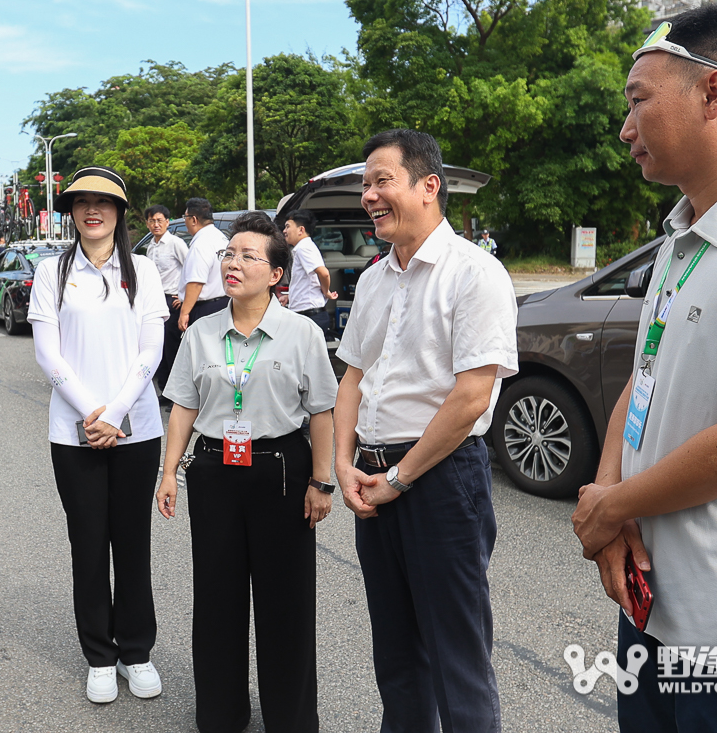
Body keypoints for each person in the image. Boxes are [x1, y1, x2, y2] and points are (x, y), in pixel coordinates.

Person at [572, 5, 717, 729]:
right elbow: (644, 377)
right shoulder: (683, 234)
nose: (625, 127)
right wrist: (609, 501)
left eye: (639, 99)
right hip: (651, 603)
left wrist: (615, 506)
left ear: (713, 93)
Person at [333, 129, 517, 733]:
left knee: (456, 657)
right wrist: (343, 463)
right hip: (373, 476)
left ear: (428, 186)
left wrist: (399, 478)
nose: (369, 196)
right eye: (366, 185)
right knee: (396, 656)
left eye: (381, 181)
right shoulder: (374, 279)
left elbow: (471, 398)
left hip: (439, 477)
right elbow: (352, 377)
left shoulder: (475, 273)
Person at [158, 211, 339, 733]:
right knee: (217, 599)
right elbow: (184, 408)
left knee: (286, 602)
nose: (233, 264)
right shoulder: (202, 332)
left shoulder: (301, 332)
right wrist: (169, 472)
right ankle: (222, 713)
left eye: (247, 256)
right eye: (228, 254)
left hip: (282, 471)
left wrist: (321, 481)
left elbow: (322, 411)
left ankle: (291, 718)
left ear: (276, 274)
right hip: (214, 471)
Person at [27, 166, 169, 704]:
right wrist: (93, 412)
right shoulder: (52, 272)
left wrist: (117, 413)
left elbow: (150, 351)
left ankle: (137, 650)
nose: (93, 210)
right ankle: (99, 655)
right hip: (73, 431)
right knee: (88, 544)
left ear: (120, 213)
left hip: (137, 430)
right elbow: (48, 352)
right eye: (82, 202)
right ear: (71, 212)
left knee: (132, 543)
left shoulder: (146, 271)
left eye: (104, 203)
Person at [144, 204, 188, 390]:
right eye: (152, 221)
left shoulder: (175, 243)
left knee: (172, 347)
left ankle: (175, 393)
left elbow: (190, 268)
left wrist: (184, 295)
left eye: (160, 220)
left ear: (167, 222)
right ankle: (163, 389)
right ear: (147, 223)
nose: (156, 224)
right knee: (157, 346)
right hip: (155, 300)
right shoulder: (150, 247)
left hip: (172, 301)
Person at [282, 209, 338, 338]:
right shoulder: (303, 247)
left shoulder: (304, 248)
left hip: (310, 316)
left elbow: (324, 273)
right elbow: (306, 280)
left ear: (301, 230)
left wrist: (326, 291)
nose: (284, 231)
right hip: (307, 315)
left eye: (287, 226)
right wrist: (291, 296)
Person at [177, 197, 229, 332]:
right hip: (224, 303)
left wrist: (184, 312)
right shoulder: (221, 238)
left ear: (194, 219)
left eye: (185, 217)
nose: (185, 221)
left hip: (204, 308)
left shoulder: (201, 243)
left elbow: (196, 282)